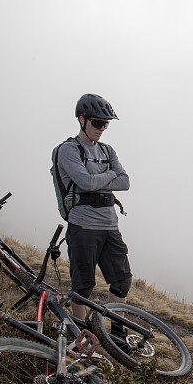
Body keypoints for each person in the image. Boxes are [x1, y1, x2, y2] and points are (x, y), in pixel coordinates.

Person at [57, 94, 131, 322]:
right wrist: (110, 175)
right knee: (83, 285)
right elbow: (86, 183)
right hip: (83, 226)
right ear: (82, 120)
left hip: (109, 225)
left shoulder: (107, 151)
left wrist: (97, 176)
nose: (102, 129)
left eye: (105, 124)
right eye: (97, 123)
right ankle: (80, 333)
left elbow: (125, 182)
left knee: (122, 281)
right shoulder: (69, 150)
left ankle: (115, 334)